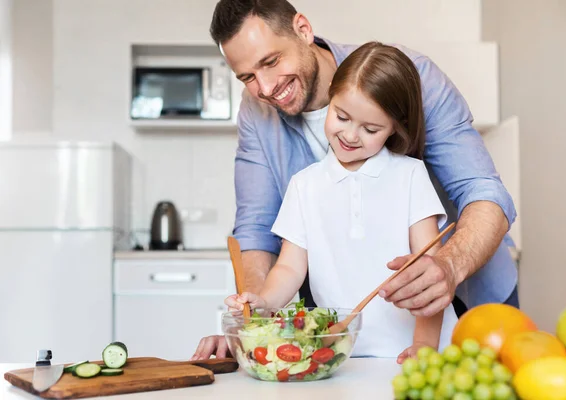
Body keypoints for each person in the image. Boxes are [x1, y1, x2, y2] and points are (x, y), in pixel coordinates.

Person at [191, 0, 518, 360]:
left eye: (270, 62)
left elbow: (483, 190)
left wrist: (449, 268)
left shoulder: (410, 80)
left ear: (303, 29)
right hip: (350, 346)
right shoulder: (264, 123)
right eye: (248, 77)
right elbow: (257, 231)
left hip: (467, 299)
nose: (265, 88)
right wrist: (254, 327)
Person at [226, 41, 458, 360]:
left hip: (421, 354)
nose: (350, 136)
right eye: (342, 116)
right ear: (330, 98)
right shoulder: (303, 185)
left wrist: (423, 346)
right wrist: (264, 303)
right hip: (343, 356)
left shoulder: (411, 176)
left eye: (370, 128)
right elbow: (290, 268)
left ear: (393, 128)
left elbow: (429, 276)